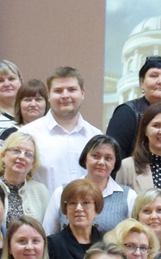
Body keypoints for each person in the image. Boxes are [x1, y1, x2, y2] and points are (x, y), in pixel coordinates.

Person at [24, 66, 104, 229]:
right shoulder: (28, 135)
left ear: (82, 93)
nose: (65, 95)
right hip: (41, 227)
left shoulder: (96, 137)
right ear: (48, 95)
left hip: (89, 228)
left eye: (72, 89)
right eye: (58, 90)